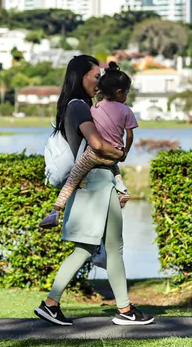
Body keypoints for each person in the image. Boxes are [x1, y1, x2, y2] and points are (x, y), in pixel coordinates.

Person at [33, 55, 155, 326]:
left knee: (100, 248)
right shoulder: (78, 106)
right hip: (96, 182)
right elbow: (97, 144)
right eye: (95, 76)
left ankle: (119, 309)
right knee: (100, 248)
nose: (99, 82)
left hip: (97, 182)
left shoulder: (85, 106)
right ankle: (57, 304)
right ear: (81, 77)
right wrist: (120, 154)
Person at [39, 62, 137, 227]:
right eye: (126, 92)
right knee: (115, 169)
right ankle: (123, 190)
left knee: (73, 178)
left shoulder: (93, 108)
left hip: (94, 155)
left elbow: (96, 143)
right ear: (119, 92)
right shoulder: (127, 111)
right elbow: (130, 134)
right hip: (114, 153)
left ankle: (55, 210)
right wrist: (124, 152)